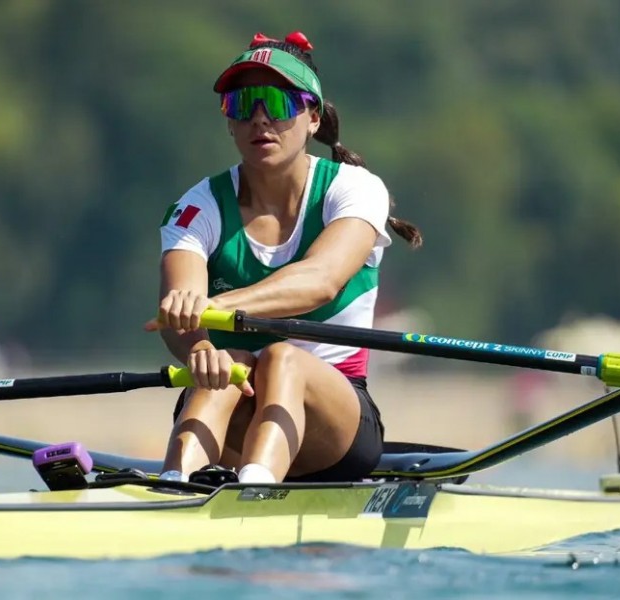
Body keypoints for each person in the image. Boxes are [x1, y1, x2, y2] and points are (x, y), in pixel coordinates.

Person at [145, 31, 422, 484]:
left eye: (276, 102)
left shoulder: (354, 188)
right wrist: (199, 348)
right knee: (228, 364)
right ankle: (176, 484)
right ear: (229, 121)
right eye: (242, 104)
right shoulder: (197, 207)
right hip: (237, 402)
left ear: (313, 117)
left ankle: (255, 485)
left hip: (336, 425)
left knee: (281, 358)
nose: (259, 118)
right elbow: (181, 307)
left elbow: (320, 281)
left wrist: (215, 306)